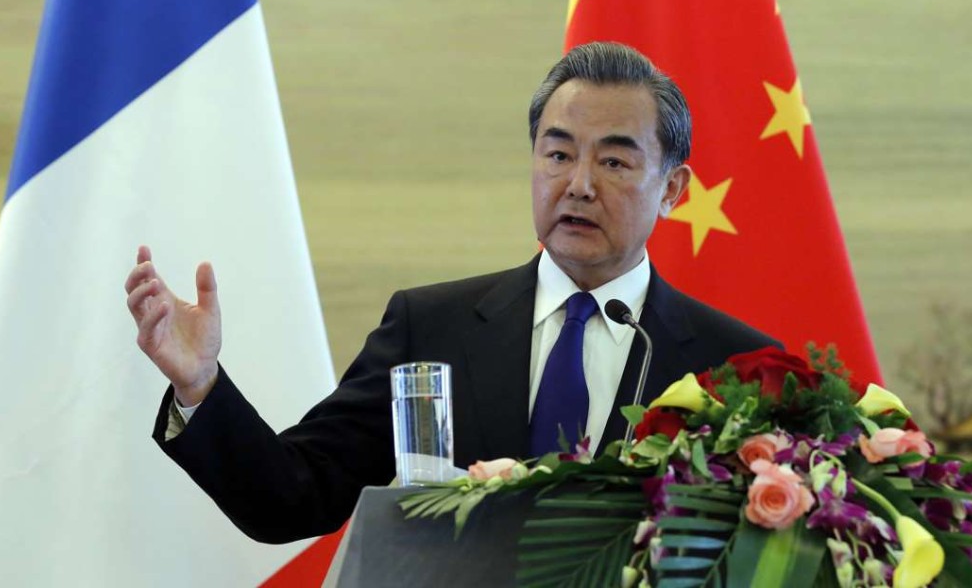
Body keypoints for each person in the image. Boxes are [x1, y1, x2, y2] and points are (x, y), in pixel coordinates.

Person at [125, 42, 777, 543]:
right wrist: (200, 386)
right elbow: (293, 496)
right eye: (557, 155)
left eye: (613, 161)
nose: (578, 184)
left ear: (672, 189)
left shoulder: (736, 368)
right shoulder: (429, 326)